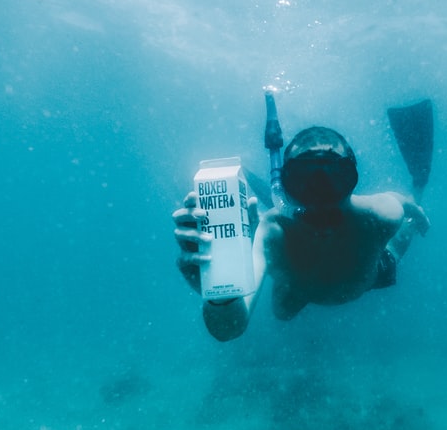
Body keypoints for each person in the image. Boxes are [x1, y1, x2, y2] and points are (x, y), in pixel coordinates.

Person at [173, 124, 429, 341]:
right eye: (303, 179)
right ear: (286, 186)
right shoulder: (270, 233)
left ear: (352, 180)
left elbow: (397, 201)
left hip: (366, 277)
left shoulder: (381, 215)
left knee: (398, 245)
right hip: (297, 292)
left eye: (334, 176)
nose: (320, 196)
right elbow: (228, 329)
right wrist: (220, 293)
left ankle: (420, 182)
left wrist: (414, 208)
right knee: (282, 313)